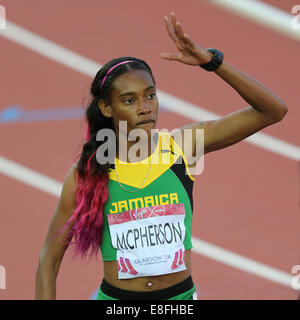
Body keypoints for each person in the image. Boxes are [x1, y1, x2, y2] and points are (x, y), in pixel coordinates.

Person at [35, 12, 287, 300]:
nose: (145, 107)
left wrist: (212, 62)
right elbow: (48, 257)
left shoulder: (182, 146)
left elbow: (273, 110)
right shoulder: (86, 173)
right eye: (129, 100)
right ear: (107, 108)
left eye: (150, 95)